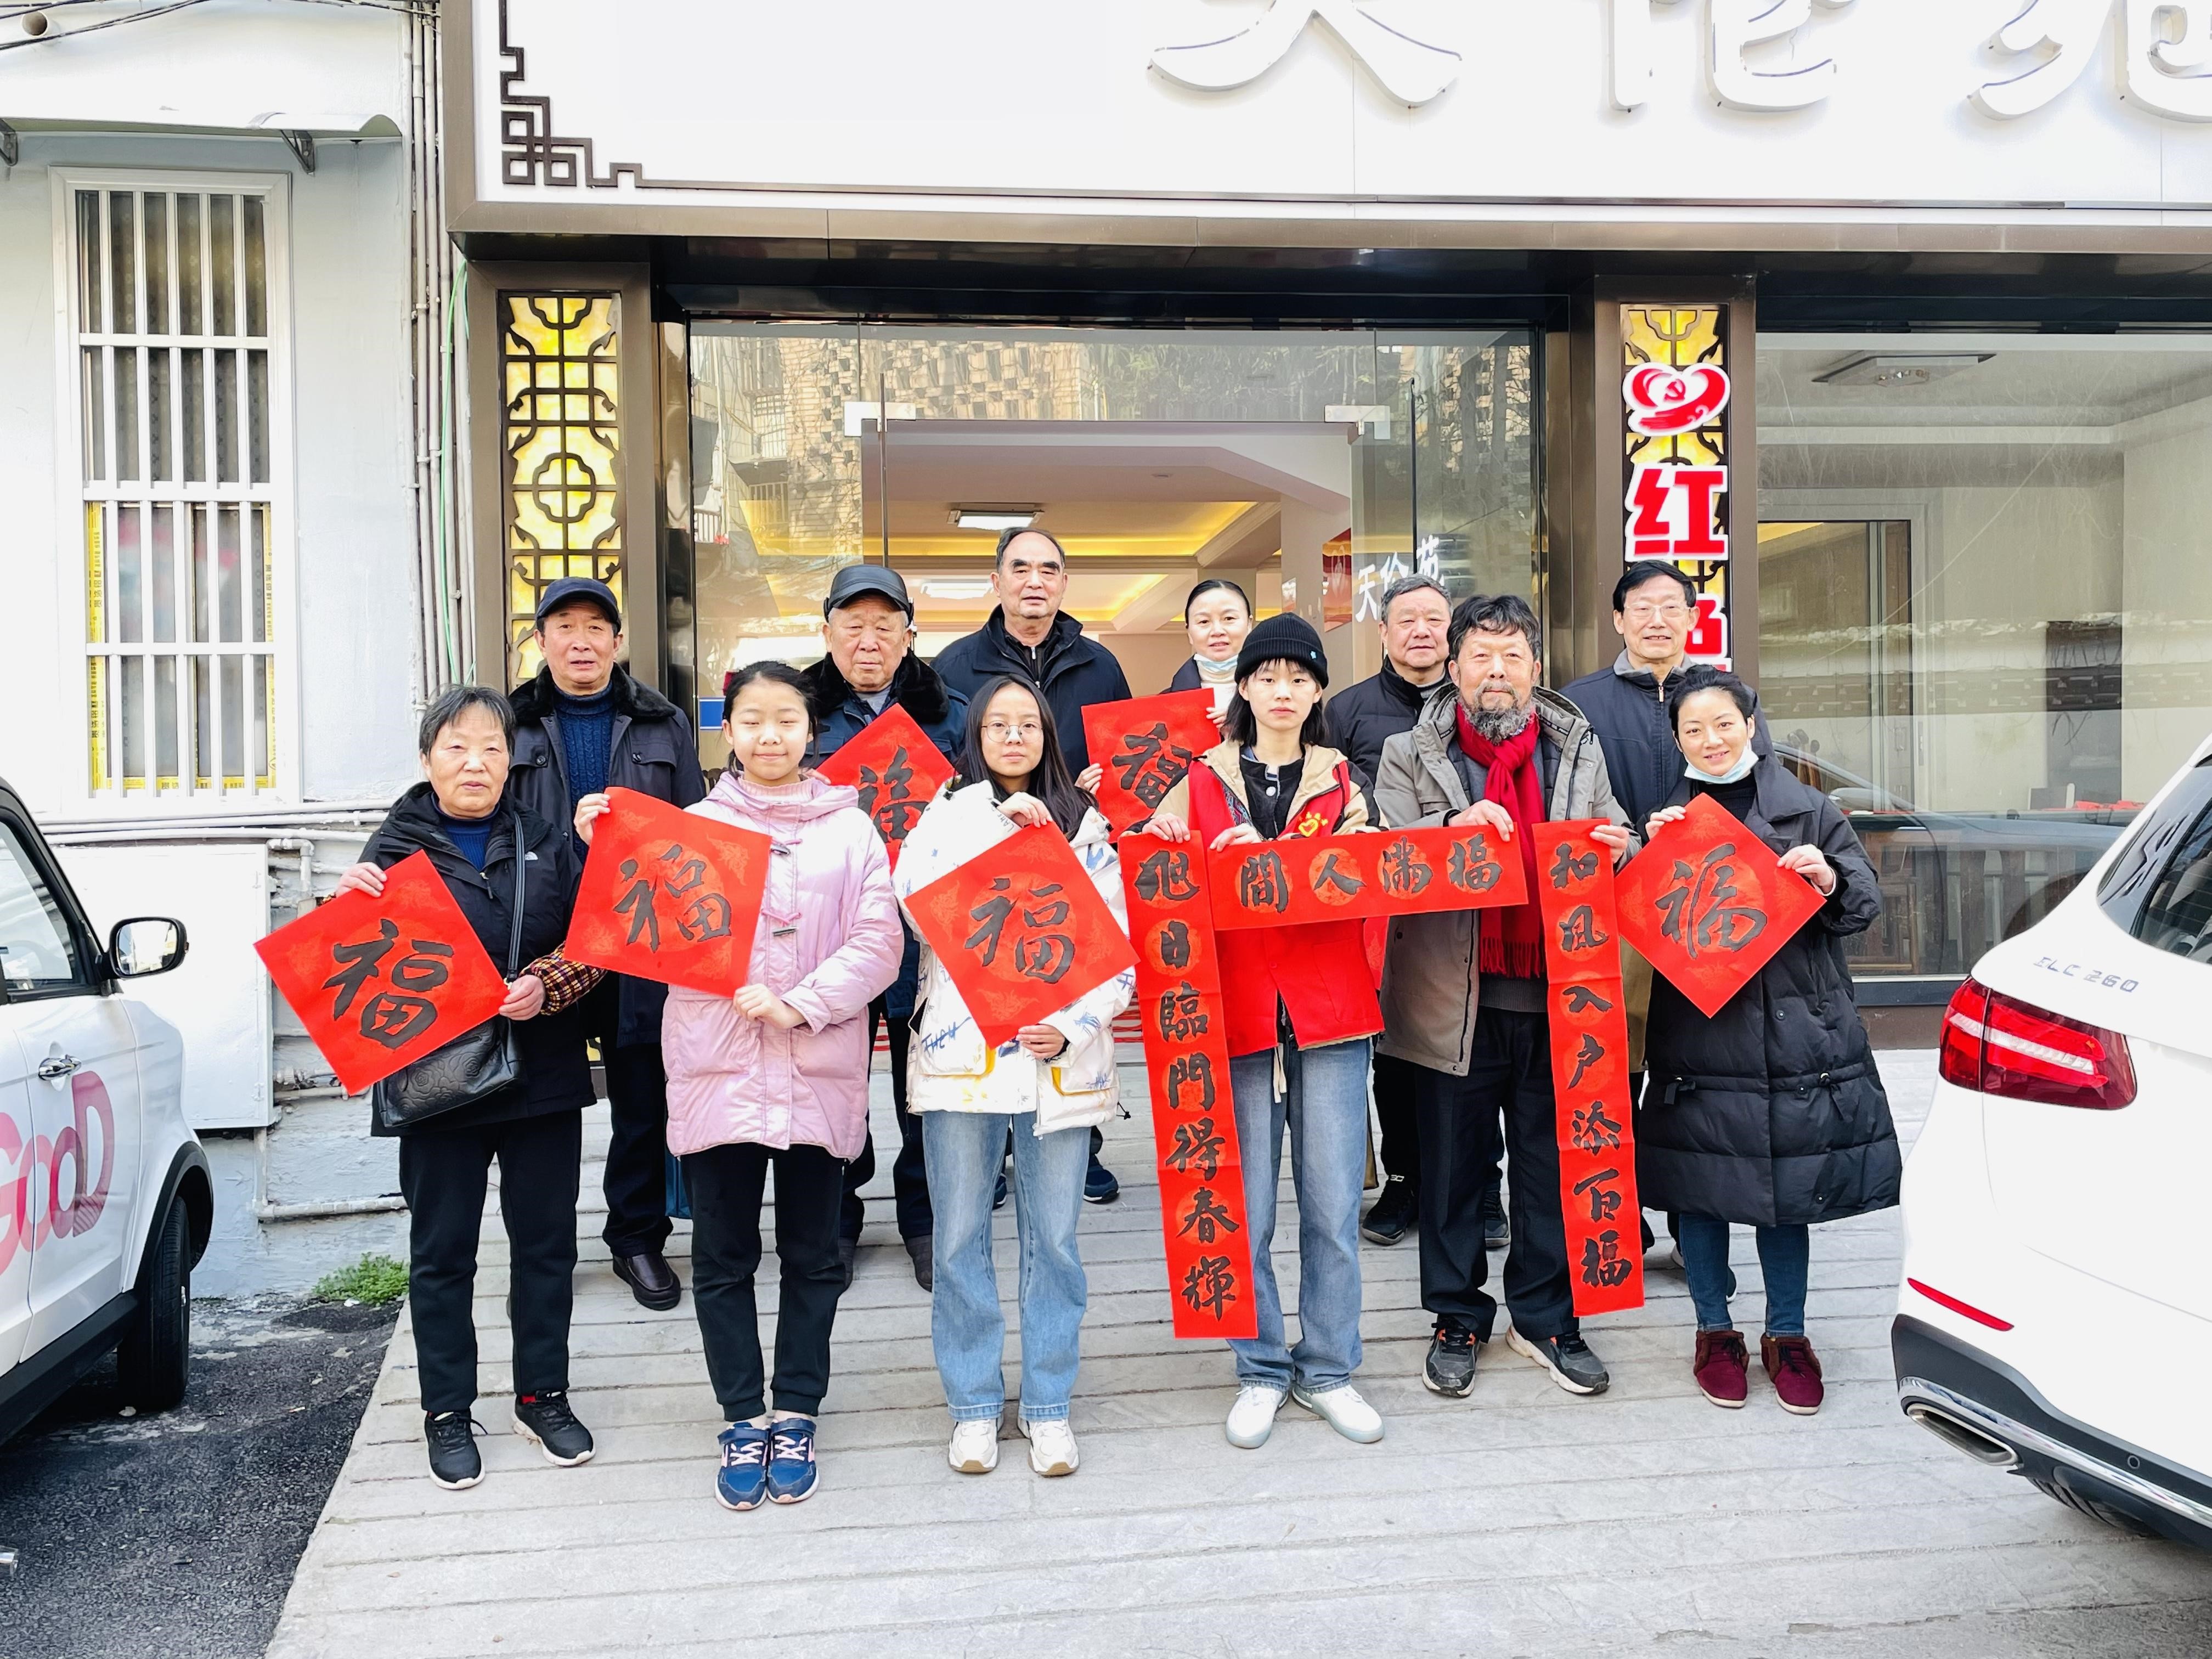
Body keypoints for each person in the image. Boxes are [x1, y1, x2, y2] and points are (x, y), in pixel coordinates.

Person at [582, 662, 901, 1510]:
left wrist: (802, 1003)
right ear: (729, 732)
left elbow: (880, 944)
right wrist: (601, 843)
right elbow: (631, 924)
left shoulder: (853, 831)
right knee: (722, 1257)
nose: (769, 735)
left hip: (817, 1065)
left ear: (810, 730)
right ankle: (740, 1417)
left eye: (786, 719)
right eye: (752, 719)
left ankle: (795, 1409)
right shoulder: (691, 829)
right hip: (717, 1066)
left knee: (813, 1254)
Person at [336, 687, 603, 1492]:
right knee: (442, 1253)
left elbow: (594, 939)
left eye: (492, 747)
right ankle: (447, 1410)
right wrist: (341, 910)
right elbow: (351, 967)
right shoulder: (391, 851)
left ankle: (542, 1395)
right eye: (456, 747)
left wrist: (548, 985)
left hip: (543, 1072)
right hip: (437, 1084)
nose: (475, 763)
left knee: (547, 1247)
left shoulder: (547, 837)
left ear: (511, 760)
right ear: (428, 760)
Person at [1373, 594, 1634, 1402]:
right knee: (1452, 1173)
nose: (1497, 672)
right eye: (1481, 657)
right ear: (1453, 670)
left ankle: (1546, 1317)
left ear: (1534, 670)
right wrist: (1455, 825)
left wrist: (1620, 849)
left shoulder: (1576, 747)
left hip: (1559, 997)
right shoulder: (1407, 752)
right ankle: (1457, 1317)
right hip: (1450, 996)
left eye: (1512, 656)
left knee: (1549, 1167)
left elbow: (1615, 833)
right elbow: (1387, 854)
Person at [1143, 613, 1386, 1453]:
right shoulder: (1197, 781)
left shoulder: (1345, 783)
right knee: (1242, 1209)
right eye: (1268, 677)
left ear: (1318, 693)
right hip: (1235, 1013)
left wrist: (1294, 861)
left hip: (1328, 1013)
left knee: (1332, 1204)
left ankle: (1330, 1368)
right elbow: (1160, 884)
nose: (1283, 691)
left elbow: (1368, 880)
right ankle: (1259, 1366)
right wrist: (1176, 844)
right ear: (1242, 686)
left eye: (1300, 678)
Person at [1638, 665, 1899, 1417]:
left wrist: (1829, 879)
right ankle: (1713, 1331)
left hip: (1794, 1036)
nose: (1711, 740)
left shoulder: (1809, 809)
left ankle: (1788, 1334)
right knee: (1700, 1190)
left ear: (1751, 726)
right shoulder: (1670, 818)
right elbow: (1640, 924)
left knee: (1788, 1195)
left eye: (1724, 724)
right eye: (1694, 729)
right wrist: (1644, 856)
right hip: (1699, 1037)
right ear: (1678, 740)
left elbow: (1864, 903)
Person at [894, 676, 1133, 1479]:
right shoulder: (944, 814)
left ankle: (1048, 1403)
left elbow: (1116, 949)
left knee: (1054, 1242)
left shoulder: (1087, 825)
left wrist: (1072, 1026)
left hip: (1057, 1061)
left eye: (1028, 723)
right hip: (962, 1059)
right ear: (975, 736)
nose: (1013, 736)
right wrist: (993, 828)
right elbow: (915, 908)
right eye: (997, 724)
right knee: (959, 1237)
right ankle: (972, 1405)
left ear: (1048, 736)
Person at [507, 576, 707, 1313]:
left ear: (618, 642)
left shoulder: (662, 722)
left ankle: (636, 1237)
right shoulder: (509, 723)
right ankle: (545, 1254)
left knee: (641, 1098)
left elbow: (694, 829)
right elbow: (491, 824)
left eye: (596, 627)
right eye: (564, 627)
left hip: (641, 937)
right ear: (541, 641)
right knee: (543, 1106)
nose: (581, 641)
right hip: (547, 939)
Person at [933, 526, 1132, 1206]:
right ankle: (990, 1156)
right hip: (984, 858)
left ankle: (1080, 1144)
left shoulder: (1101, 665)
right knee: (991, 998)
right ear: (996, 581)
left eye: (1049, 569)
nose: (1034, 581)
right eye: (1020, 568)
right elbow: (941, 762)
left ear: (1065, 583)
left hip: (1074, 847)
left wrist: (1107, 794)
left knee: (1069, 993)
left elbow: (1126, 755)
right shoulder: (955, 664)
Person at [1560, 560, 1774, 1188]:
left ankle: (1694, 1211)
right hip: (1614, 909)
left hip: (1704, 908)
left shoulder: (1727, 697)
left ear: (1693, 617)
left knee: (1700, 1065)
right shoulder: (1579, 703)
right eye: (1641, 608)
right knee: (1615, 1064)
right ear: (1618, 620)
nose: (1657, 620)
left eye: (1671, 607)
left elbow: (1762, 790)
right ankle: (1622, 1208)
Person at [800, 563, 968, 1291]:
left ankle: (925, 1220)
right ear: (828, 631)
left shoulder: (950, 711)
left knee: (922, 1081)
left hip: (926, 931)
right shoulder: (797, 709)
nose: (868, 641)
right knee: (831, 1077)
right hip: (830, 931)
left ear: (908, 635)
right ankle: (835, 1219)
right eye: (854, 625)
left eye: (884, 626)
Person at [1321, 573, 1469, 1251]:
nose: (1421, 631)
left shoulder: (1477, 703)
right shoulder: (1347, 710)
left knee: (1472, 1047)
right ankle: (1404, 1180)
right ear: (1382, 633)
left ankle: (1477, 1184)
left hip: (1464, 907)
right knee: (1395, 1050)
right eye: (1406, 620)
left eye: (1434, 619)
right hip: (1381, 909)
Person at [1165, 577, 1253, 729]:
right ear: (1189, 632)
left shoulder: (1278, 696)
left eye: (1229, 618)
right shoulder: (1164, 706)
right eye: (1204, 622)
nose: (1217, 631)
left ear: (1249, 625)